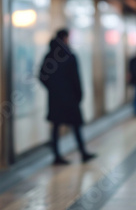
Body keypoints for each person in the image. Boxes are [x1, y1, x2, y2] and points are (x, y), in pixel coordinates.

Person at [39, 29, 96, 165]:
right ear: (65, 38)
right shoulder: (69, 55)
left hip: (55, 98)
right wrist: (79, 95)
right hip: (70, 98)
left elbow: (42, 76)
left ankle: (57, 156)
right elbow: (76, 79)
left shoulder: (49, 56)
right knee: (76, 126)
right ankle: (83, 152)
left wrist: (52, 89)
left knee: (56, 126)